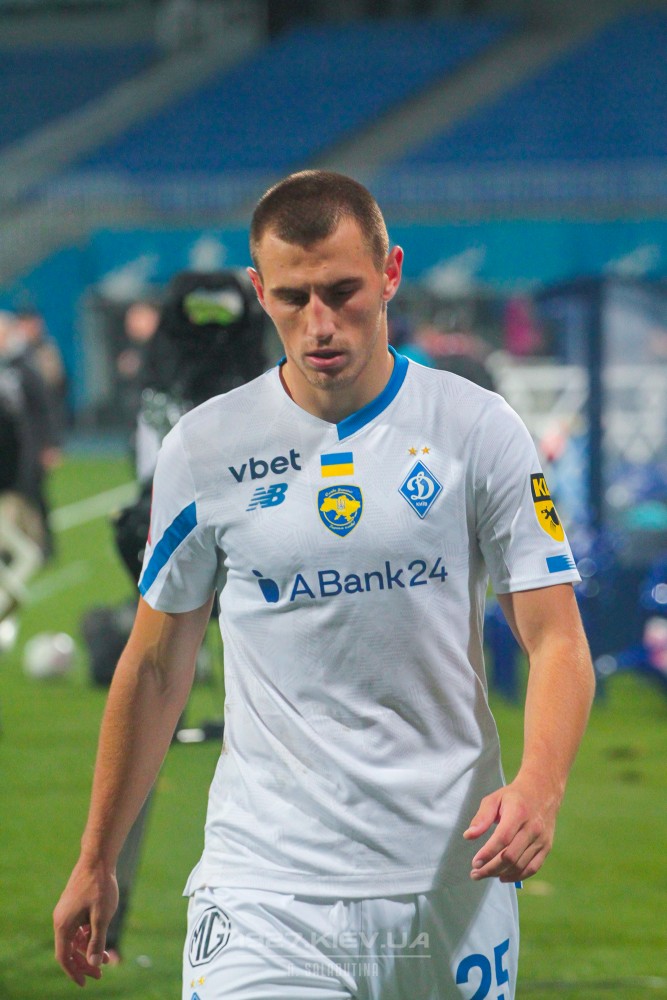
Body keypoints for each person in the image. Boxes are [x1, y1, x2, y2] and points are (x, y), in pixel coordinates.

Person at [54, 171, 595, 998]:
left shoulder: (476, 428)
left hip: (449, 877)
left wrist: (539, 788)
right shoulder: (204, 447)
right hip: (262, 886)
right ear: (257, 291)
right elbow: (156, 665)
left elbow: (555, 638)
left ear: (389, 273)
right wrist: (96, 857)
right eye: (292, 297)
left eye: (342, 292)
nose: (319, 324)